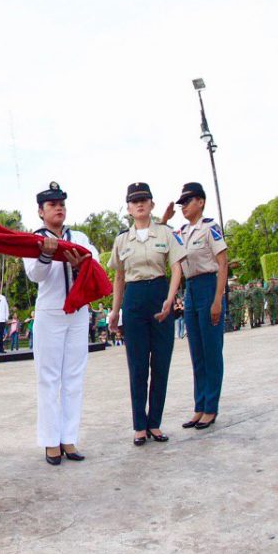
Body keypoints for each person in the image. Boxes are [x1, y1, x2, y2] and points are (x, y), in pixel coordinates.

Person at [23, 182, 97, 465]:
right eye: (52, 205)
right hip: (51, 311)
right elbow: (34, 274)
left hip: (78, 311)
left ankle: (68, 437)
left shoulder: (78, 236)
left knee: (74, 377)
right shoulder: (35, 237)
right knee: (49, 378)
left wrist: (81, 263)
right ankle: (50, 441)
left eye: (62, 204)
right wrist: (45, 254)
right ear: (41, 211)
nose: (59, 209)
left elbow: (95, 261)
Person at [107, 183, 185, 446]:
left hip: (160, 294)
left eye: (144, 199)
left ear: (152, 204)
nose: (140, 204)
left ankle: (155, 423)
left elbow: (176, 268)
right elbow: (118, 277)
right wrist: (115, 312)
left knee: (161, 363)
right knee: (137, 365)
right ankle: (139, 425)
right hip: (134, 298)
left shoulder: (165, 233)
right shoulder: (121, 240)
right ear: (128, 208)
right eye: (134, 201)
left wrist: (170, 298)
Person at [173, 182, 228, 431]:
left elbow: (223, 263)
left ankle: (211, 408)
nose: (183, 206)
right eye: (181, 203)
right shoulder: (182, 232)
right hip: (191, 291)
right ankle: (199, 406)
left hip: (209, 287)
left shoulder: (210, 229)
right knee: (196, 352)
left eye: (188, 201)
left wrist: (218, 299)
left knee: (211, 350)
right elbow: (164, 238)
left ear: (201, 202)